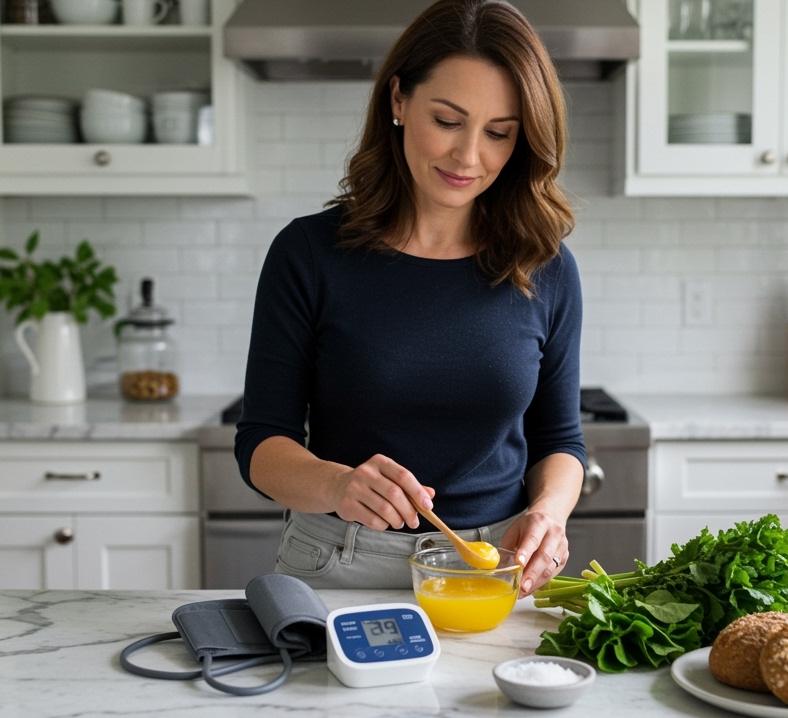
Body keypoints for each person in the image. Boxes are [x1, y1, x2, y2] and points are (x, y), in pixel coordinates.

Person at [235, 0, 584, 598]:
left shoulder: (544, 265)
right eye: (447, 121)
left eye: (499, 133)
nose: (469, 157)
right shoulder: (309, 254)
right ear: (398, 100)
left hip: (495, 569)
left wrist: (549, 513)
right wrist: (336, 483)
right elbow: (261, 443)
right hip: (339, 560)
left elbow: (560, 440)